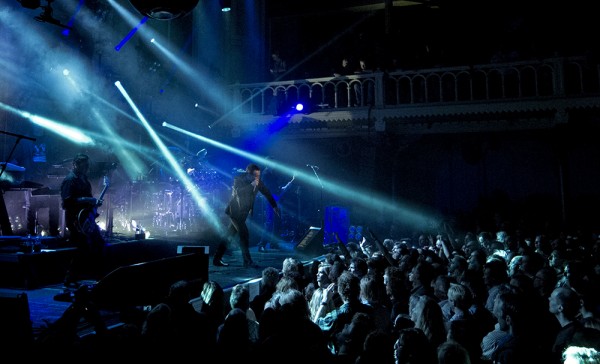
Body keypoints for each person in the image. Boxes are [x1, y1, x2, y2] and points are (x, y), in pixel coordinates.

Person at [213, 163, 280, 269]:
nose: (257, 178)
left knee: (229, 235)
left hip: (243, 213)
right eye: (255, 175)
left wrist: (274, 206)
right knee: (244, 234)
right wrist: (251, 185)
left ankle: (216, 259)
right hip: (235, 212)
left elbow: (267, 192)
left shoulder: (257, 182)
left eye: (258, 175)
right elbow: (238, 193)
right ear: (248, 174)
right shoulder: (238, 179)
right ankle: (247, 261)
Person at [60, 153, 107, 287]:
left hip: (86, 218)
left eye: (87, 165)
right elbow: (67, 202)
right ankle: (70, 277)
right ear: (76, 165)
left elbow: (88, 198)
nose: (87, 167)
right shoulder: (70, 180)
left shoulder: (84, 179)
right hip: (75, 219)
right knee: (82, 247)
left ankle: (99, 276)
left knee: (98, 244)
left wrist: (94, 203)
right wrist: (88, 200)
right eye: (84, 165)